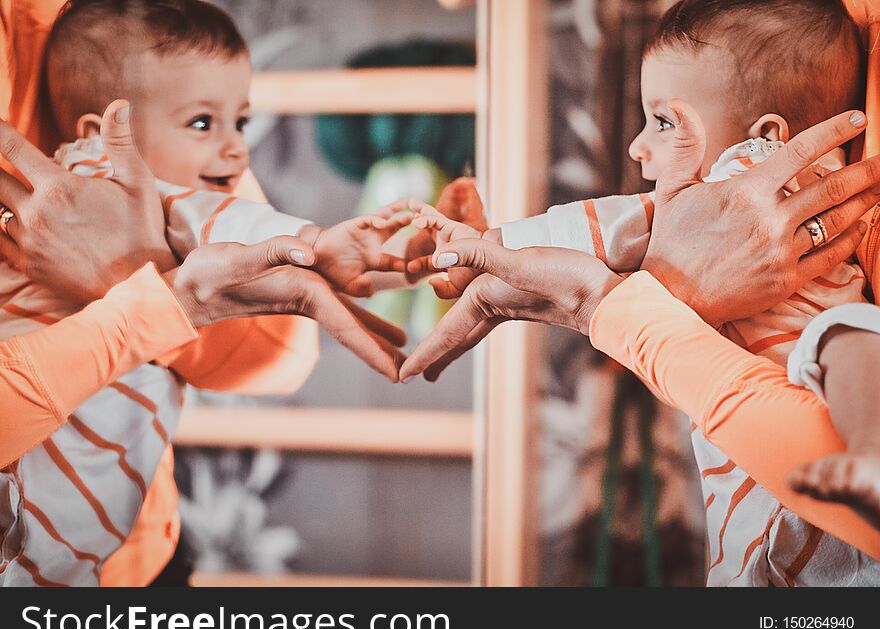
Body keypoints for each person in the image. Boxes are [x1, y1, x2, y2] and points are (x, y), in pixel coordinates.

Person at [403, 0, 880, 584]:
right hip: (777, 459)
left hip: (785, 440)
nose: (637, 146)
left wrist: (490, 245)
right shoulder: (826, 180)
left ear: (764, 140)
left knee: (845, 338)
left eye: (663, 121)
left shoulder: (743, 176)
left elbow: (598, 228)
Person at [0, 0, 406, 585]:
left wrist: (133, 275)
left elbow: (278, 348)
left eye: (238, 121)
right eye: (203, 124)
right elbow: (250, 239)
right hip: (54, 485)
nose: (237, 148)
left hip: (128, 550)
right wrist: (322, 247)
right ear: (102, 135)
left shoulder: (151, 156)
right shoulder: (118, 179)